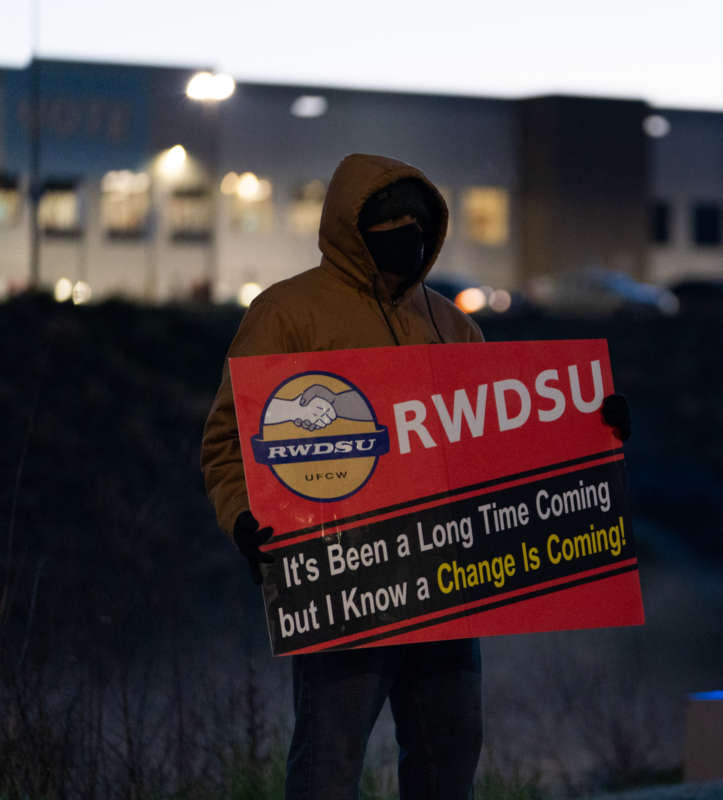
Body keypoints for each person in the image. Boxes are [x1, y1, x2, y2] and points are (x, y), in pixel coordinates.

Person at [200, 153, 629, 799]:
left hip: (447, 582)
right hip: (343, 584)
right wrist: (243, 521)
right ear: (352, 225)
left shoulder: (455, 325)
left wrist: (593, 429)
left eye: (419, 220)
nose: (409, 232)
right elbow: (229, 441)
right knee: (328, 762)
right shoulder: (287, 313)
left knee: (448, 758)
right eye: (390, 220)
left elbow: (503, 445)